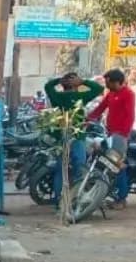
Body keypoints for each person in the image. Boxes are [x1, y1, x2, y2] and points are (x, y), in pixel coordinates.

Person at [43, 71, 103, 202]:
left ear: (63, 85)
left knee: (61, 170)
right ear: (75, 84)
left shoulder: (56, 96)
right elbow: (99, 88)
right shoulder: (80, 97)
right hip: (77, 137)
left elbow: (47, 86)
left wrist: (59, 80)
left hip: (61, 137)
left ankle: (59, 200)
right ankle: (75, 199)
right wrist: (82, 81)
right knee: (79, 169)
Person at [86, 68, 136, 207]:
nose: (106, 85)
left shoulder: (128, 94)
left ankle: (122, 199)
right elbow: (100, 109)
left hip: (120, 136)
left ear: (117, 82)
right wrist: (87, 119)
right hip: (109, 134)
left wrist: (123, 134)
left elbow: (130, 116)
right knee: (105, 162)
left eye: (108, 82)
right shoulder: (110, 94)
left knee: (116, 166)